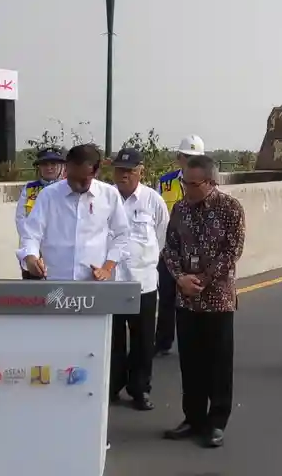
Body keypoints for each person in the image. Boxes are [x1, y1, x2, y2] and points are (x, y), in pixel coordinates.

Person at [161, 155, 245, 449]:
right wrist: (181, 277)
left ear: (210, 183)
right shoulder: (180, 208)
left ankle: (216, 422)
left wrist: (204, 279)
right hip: (186, 301)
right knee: (191, 363)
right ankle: (193, 418)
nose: (186, 188)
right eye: (183, 182)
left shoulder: (230, 209)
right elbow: (169, 248)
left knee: (218, 365)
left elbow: (232, 250)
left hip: (218, 300)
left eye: (192, 183)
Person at [109, 147, 170, 411]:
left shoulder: (152, 200)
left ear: (140, 171)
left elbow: (162, 238)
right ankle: (110, 386)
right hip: (109, 282)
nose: (123, 176)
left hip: (142, 282)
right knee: (112, 340)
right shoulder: (103, 199)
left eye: (129, 171)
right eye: (119, 170)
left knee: (143, 340)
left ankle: (140, 389)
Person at [18, 144, 130, 282]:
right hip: (56, 282)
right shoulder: (48, 195)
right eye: (72, 178)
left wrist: (107, 268)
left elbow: (122, 234)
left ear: (95, 172)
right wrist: (30, 257)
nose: (76, 185)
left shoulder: (109, 195)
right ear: (66, 169)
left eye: (83, 180)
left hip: (94, 283)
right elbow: (31, 234)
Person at [154, 134, 207, 355]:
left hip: (197, 251)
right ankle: (163, 342)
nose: (191, 162)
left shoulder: (209, 183)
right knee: (166, 298)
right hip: (169, 250)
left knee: (197, 299)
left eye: (196, 158)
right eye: (187, 157)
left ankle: (197, 341)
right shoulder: (164, 183)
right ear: (179, 158)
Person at [15, 147, 66, 279]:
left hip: (60, 251)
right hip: (34, 252)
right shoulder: (30, 188)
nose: (49, 168)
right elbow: (21, 219)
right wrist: (33, 247)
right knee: (34, 294)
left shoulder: (67, 188)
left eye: (53, 164)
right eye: (45, 164)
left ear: (61, 166)